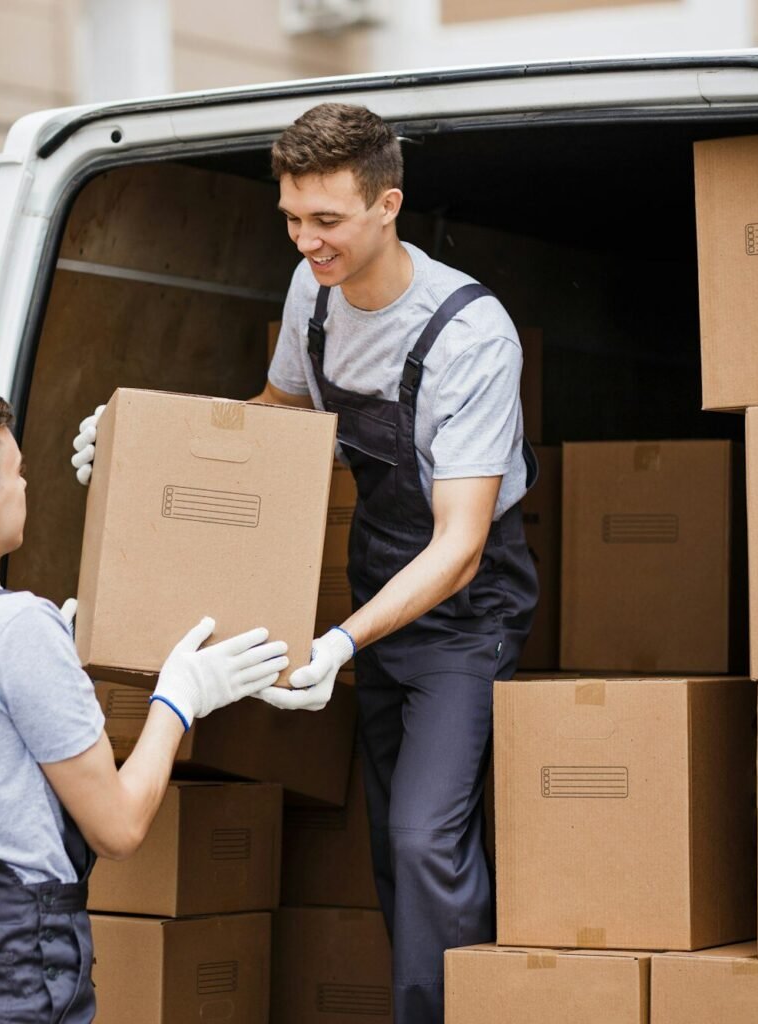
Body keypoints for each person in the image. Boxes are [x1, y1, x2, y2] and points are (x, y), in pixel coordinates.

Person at [71, 102, 537, 1024]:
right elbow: (277, 415)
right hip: (376, 587)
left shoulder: (471, 336)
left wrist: (339, 645)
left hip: (464, 615)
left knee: (423, 841)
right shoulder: (311, 293)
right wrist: (136, 444)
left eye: (327, 220)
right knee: (391, 843)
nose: (305, 241)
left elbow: (460, 544)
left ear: (388, 204)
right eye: (291, 217)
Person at [0, 385, 287, 1023]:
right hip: (14, 974)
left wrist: (53, 668)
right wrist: (179, 698)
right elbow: (118, 828)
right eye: (18, 472)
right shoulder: (19, 630)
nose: (26, 486)